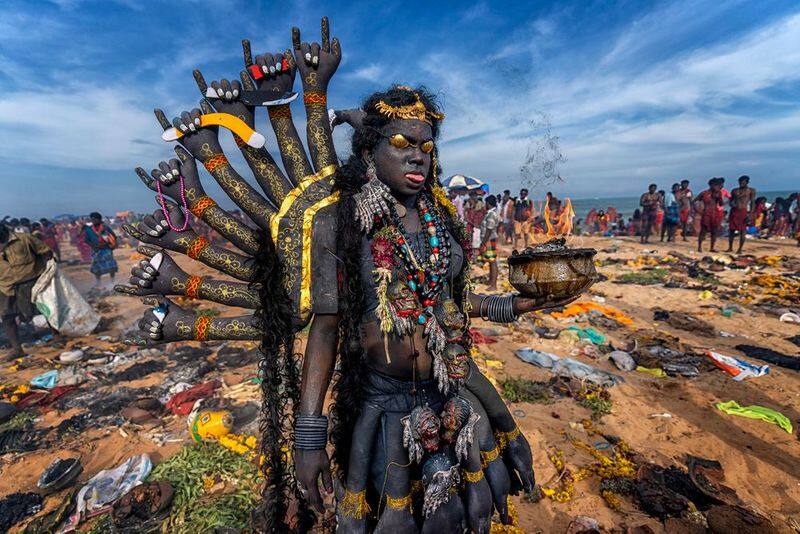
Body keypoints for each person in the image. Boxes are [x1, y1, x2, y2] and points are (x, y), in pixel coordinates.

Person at [114, 21, 585, 531]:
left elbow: (448, 303)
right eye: (402, 143)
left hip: (457, 393)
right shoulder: (337, 223)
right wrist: (310, 435)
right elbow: (326, 329)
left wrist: (519, 305)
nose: (417, 156)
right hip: (382, 408)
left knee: (465, 517)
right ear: (368, 151)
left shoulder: (441, 218)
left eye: (426, 147)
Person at [0, 224, 53, 359]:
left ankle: (57, 336)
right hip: (5, 286)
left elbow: (46, 252)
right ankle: (17, 349)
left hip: (30, 282)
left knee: (45, 309)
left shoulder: (25, 239)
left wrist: (48, 273)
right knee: (7, 317)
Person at [83, 212, 118, 286]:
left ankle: (112, 282)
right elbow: (86, 240)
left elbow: (114, 236)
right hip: (96, 251)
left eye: (95, 219)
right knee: (97, 268)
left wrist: (109, 243)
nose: (93, 220)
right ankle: (98, 283)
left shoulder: (105, 228)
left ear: (99, 219)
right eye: (92, 219)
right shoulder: (89, 229)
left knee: (111, 266)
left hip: (106, 249)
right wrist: (93, 245)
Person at [727, 175, 755, 254]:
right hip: (734, 211)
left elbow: (752, 202)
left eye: (742, 182)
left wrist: (750, 214)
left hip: (743, 211)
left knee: (743, 230)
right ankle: (730, 247)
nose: (740, 183)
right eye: (739, 182)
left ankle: (740, 249)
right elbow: (731, 200)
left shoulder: (751, 190)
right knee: (731, 230)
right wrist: (731, 204)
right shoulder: (734, 190)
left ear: (747, 182)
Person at [698, 178, 725, 252]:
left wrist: (719, 197)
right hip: (706, 213)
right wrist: (699, 210)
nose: (717, 187)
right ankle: (699, 247)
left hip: (714, 214)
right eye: (715, 185)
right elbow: (695, 201)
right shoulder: (704, 193)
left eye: (718, 185)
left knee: (714, 231)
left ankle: (712, 247)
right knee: (703, 230)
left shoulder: (718, 193)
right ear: (711, 185)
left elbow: (721, 204)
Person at [479, 195, 500, 291]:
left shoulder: (491, 214)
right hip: (490, 239)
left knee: (492, 261)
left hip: (489, 239)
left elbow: (489, 229)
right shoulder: (491, 213)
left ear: (488, 203)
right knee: (491, 261)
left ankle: (494, 285)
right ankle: (491, 281)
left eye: (486, 202)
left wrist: (483, 243)